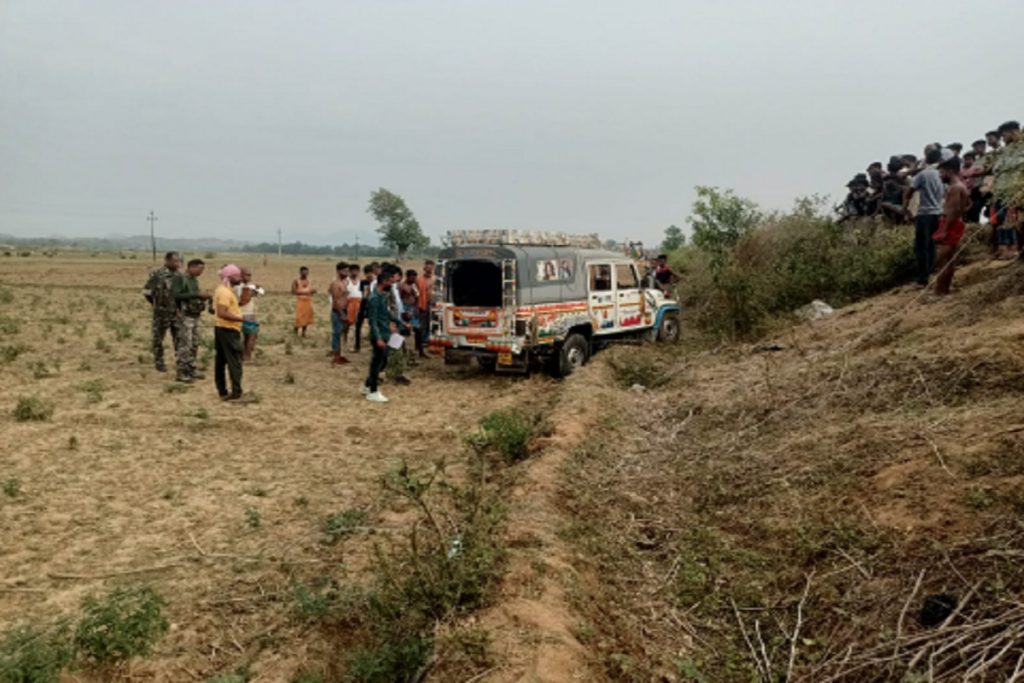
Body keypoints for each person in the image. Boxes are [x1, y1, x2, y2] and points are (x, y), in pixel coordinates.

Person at [903, 146, 945, 286]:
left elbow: (909, 192)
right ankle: (932, 272)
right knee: (932, 245)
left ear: (926, 159)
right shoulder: (941, 174)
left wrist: (905, 209)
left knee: (921, 247)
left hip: (925, 213)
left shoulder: (923, 174)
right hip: (938, 213)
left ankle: (923, 278)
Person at [933, 153, 970, 296]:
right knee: (949, 259)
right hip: (955, 222)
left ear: (949, 171)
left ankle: (939, 291)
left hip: (950, 223)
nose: (940, 175)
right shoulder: (961, 186)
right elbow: (968, 204)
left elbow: (953, 210)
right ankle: (944, 290)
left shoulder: (955, 187)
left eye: (941, 172)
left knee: (941, 260)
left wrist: (944, 229)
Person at [363, 265, 401, 403]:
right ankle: (373, 391)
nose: (392, 284)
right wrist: (378, 338)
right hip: (379, 334)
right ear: (384, 281)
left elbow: (386, 313)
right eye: (390, 282)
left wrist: (400, 322)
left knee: (382, 360)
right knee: (377, 362)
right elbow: (372, 321)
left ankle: (367, 385)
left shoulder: (383, 296)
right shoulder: (374, 298)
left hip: (385, 332)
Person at [213, 265, 250, 402]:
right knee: (234, 361)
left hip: (221, 328)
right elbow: (222, 313)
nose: (240, 278)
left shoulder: (223, 290)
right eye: (237, 275)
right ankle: (236, 392)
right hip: (228, 330)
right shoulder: (225, 292)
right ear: (230, 277)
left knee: (221, 361)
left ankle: (222, 391)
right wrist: (241, 319)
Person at [171, 258, 211, 382]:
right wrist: (197, 295)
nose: (201, 272)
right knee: (185, 344)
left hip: (194, 314)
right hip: (184, 315)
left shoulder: (194, 280)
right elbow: (176, 295)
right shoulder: (180, 278)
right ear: (191, 267)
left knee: (194, 343)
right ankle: (182, 372)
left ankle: (191, 369)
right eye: (200, 269)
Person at [143, 251, 182, 373]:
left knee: (179, 339)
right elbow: (147, 292)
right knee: (158, 339)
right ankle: (159, 362)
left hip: (177, 312)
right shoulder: (157, 275)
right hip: (161, 313)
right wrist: (156, 304)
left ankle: (181, 362)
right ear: (167, 261)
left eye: (179, 261)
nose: (178, 263)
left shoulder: (179, 275)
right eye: (175, 261)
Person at [236, 267, 264, 362]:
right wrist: (252, 293)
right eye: (247, 275)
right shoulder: (243, 287)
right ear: (241, 275)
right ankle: (247, 356)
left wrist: (254, 291)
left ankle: (244, 355)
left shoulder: (245, 286)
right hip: (246, 314)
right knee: (252, 335)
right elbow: (243, 301)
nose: (249, 277)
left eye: (250, 275)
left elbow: (260, 293)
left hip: (244, 313)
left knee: (247, 336)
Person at [327, 262, 351, 365]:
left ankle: (339, 354)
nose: (346, 273)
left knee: (341, 332)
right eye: (344, 271)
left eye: (347, 271)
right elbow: (336, 300)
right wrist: (341, 313)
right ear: (338, 271)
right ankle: (336, 356)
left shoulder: (344, 283)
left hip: (344, 310)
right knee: (337, 333)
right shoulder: (336, 284)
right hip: (338, 311)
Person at [416, 260, 436, 357]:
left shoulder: (435, 279)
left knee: (432, 324)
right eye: (428, 267)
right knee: (422, 325)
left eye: (431, 268)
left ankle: (430, 342)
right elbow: (417, 293)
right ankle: (422, 343)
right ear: (424, 268)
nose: (429, 269)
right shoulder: (419, 279)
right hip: (422, 304)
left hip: (434, 304)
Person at [355, 263, 377, 353]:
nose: (369, 275)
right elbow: (364, 295)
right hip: (364, 305)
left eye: (370, 273)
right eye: (367, 273)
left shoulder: (376, 283)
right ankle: (357, 346)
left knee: (373, 326)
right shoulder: (363, 283)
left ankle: (374, 345)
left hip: (373, 306)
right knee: (358, 325)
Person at [961, 152, 986, 223]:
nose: (967, 161)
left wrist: (970, 174)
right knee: (964, 212)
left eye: (969, 159)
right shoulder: (961, 169)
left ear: (973, 160)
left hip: (975, 192)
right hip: (964, 193)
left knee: (974, 211)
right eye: (965, 159)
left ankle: (973, 224)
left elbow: (982, 171)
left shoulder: (977, 167)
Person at [291, 266, 316, 337]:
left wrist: (312, 292)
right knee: (299, 317)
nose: (305, 274)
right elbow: (293, 292)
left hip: (308, 301)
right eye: (303, 272)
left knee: (307, 317)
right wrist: (306, 293)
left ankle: (303, 332)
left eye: (306, 273)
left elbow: (310, 291)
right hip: (300, 300)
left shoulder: (309, 281)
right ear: (300, 273)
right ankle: (296, 329)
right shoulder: (296, 281)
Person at [344, 263, 362, 352]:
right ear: (350, 271)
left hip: (358, 303)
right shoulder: (346, 281)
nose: (355, 272)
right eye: (353, 271)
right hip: (349, 303)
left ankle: (354, 342)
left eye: (356, 271)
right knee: (347, 322)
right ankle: (345, 338)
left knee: (356, 323)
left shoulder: (360, 282)